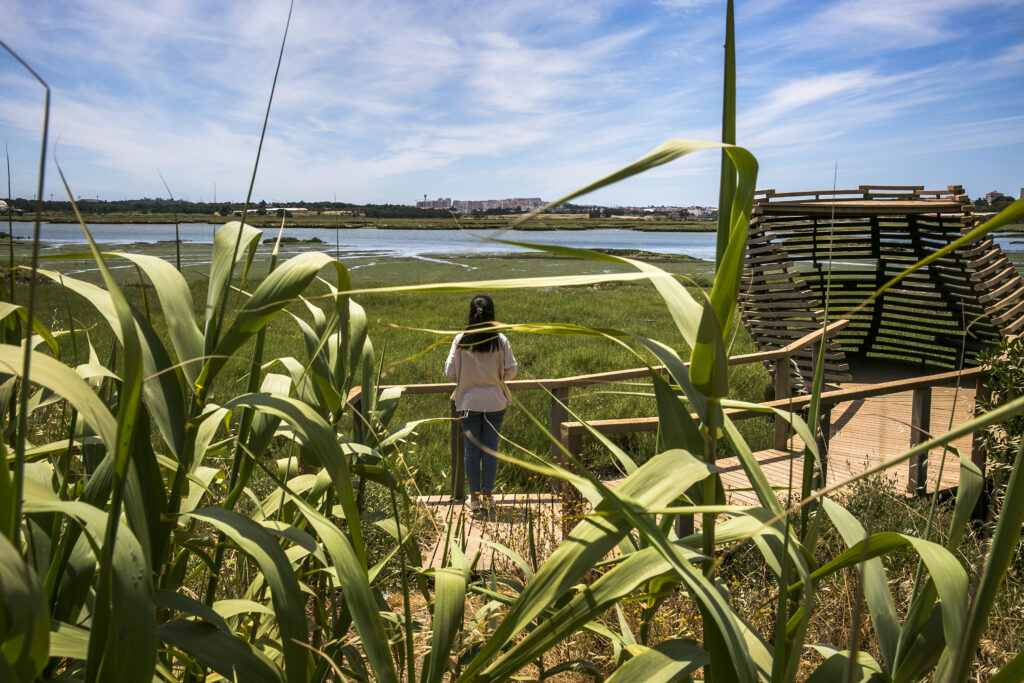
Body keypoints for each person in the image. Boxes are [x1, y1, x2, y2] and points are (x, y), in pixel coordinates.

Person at [444, 295, 517, 511]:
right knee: (490, 450)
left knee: (471, 452)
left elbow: (450, 373)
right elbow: (511, 371)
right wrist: (497, 374)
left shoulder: (460, 339)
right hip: (494, 402)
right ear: (492, 314)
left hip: (468, 402)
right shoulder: (501, 340)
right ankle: (488, 497)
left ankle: (473, 500)